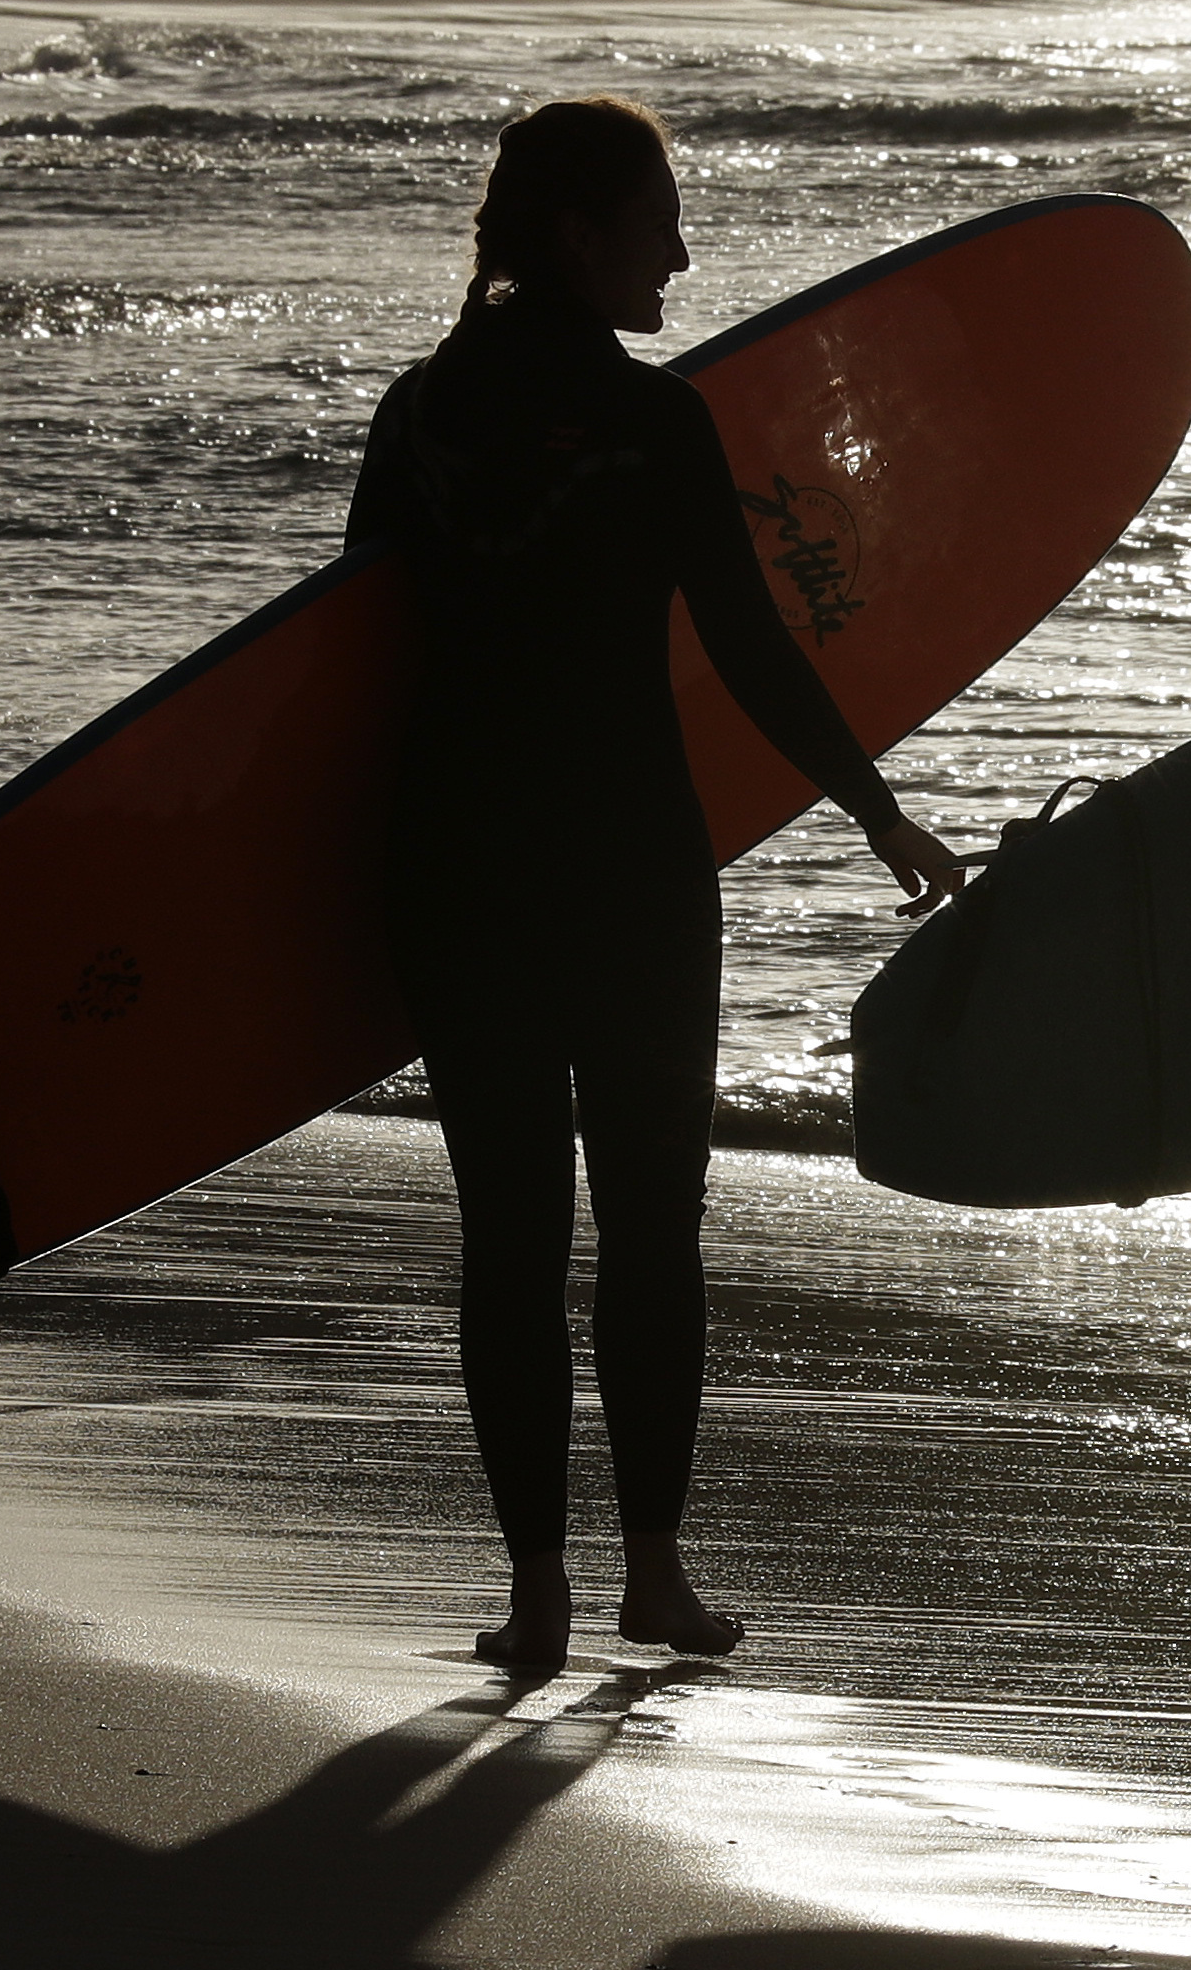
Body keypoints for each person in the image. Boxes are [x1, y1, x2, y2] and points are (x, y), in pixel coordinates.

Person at [351, 98, 966, 1676]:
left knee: (507, 1229)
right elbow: (755, 649)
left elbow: (344, 671)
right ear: (579, 235)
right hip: (624, 861)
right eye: (659, 218)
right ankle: (654, 1578)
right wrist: (874, 807)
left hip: (460, 860)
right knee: (648, 1226)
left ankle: (539, 1594)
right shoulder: (653, 423)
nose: (681, 251)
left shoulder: (415, 419)